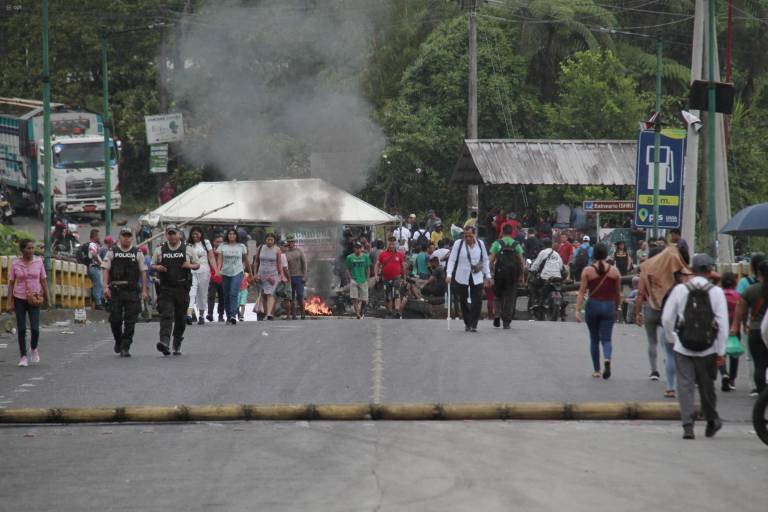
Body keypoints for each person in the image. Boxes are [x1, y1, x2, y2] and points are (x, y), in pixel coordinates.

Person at [662, 253, 727, 439]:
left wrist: (671, 338)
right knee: (707, 386)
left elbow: (667, 318)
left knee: (685, 385)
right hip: (709, 347)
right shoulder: (716, 293)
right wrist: (721, 351)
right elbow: (722, 325)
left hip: (683, 346)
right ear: (710, 271)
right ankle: (711, 420)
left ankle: (688, 426)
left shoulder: (680, 290)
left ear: (691, 269)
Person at [636, 245, 691, 394]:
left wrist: (637, 313)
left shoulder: (646, 270)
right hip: (669, 310)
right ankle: (670, 369)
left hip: (651, 308)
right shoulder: (670, 271)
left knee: (652, 341)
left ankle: (654, 370)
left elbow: (640, 293)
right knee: (670, 348)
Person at [575, 243, 621, 379]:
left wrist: (577, 310)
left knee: (594, 339)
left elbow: (582, 292)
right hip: (608, 306)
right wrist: (617, 308)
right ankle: (607, 359)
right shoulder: (615, 272)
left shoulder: (588, 271)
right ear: (606, 255)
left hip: (593, 305)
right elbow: (617, 293)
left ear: (593, 254)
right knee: (606, 339)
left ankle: (596, 370)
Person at [152, 225, 199, 355]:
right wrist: (158, 268)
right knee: (166, 314)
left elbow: (197, 264)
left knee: (180, 318)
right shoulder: (160, 249)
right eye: (169, 233)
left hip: (182, 288)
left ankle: (177, 341)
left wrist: (189, 265)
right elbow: (152, 265)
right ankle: (164, 342)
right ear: (166, 235)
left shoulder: (188, 249)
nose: (172, 236)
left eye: (174, 233)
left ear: (179, 234)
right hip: (166, 288)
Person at [102, 228, 148, 357]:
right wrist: (105, 287)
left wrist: (144, 290)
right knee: (115, 319)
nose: (126, 238)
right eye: (124, 236)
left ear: (132, 238)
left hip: (132, 291)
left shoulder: (137, 253)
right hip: (116, 290)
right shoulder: (112, 251)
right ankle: (118, 340)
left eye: (129, 236)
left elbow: (143, 272)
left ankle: (125, 347)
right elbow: (105, 269)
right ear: (119, 237)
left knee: (130, 321)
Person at [7, 239, 49, 367]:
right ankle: (23, 356)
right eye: (28, 248)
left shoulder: (39, 262)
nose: (31, 251)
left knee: (35, 329)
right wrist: (9, 302)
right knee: (21, 329)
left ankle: (33, 348)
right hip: (19, 298)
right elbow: (11, 284)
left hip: (35, 299)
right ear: (22, 250)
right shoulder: (15, 264)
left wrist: (49, 299)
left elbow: (43, 281)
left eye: (32, 248)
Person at [731, 260, 768, 396]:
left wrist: (735, 327)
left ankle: (762, 393)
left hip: (756, 331)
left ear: (759, 273)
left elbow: (740, 310)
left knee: (759, 364)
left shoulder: (751, 290)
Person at [446, 226, 491, 332]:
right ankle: (467, 322)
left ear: (474, 234)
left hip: (477, 276)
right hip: (462, 275)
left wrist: (488, 275)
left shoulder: (480, 244)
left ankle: (474, 323)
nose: (468, 238)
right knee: (463, 299)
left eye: (470, 236)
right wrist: (449, 274)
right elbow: (452, 259)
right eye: (465, 236)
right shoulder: (458, 244)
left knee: (477, 300)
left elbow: (485, 260)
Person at [489, 223, 525, 328]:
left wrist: (490, 275)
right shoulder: (516, 244)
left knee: (498, 296)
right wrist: (522, 276)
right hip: (512, 276)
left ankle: (497, 314)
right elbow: (522, 262)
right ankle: (506, 322)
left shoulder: (497, 243)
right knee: (510, 297)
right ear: (512, 232)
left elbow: (491, 260)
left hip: (499, 274)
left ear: (502, 232)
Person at [216, 229, 249, 325]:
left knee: (233, 293)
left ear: (236, 236)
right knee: (226, 294)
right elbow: (219, 259)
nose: (231, 236)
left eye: (233, 234)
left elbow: (245, 260)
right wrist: (218, 270)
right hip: (225, 272)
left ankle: (233, 314)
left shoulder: (241, 246)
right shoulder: (223, 246)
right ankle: (228, 315)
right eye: (230, 234)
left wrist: (249, 272)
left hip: (238, 271)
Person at [186, 227, 216, 325]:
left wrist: (216, 270)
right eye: (193, 234)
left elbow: (211, 257)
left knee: (202, 294)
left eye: (197, 234)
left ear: (201, 234)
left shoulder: (206, 243)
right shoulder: (188, 245)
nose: (195, 236)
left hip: (204, 271)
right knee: (192, 293)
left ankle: (201, 315)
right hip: (192, 271)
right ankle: (189, 314)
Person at [719, 272, 743, 391]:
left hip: (720, 327)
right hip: (735, 327)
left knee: (720, 353)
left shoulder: (719, 294)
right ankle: (732, 380)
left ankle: (724, 373)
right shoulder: (738, 296)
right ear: (735, 282)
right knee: (734, 354)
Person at [528, 238, 565, 310]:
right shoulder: (556, 253)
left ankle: (535, 301)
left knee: (532, 284)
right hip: (557, 277)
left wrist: (532, 270)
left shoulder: (542, 252)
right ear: (551, 245)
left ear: (543, 245)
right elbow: (561, 267)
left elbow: (535, 265)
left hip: (545, 277)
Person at [252, 232, 282, 321]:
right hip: (261, 274)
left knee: (270, 293)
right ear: (265, 240)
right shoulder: (260, 248)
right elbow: (256, 261)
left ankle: (269, 313)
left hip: (273, 275)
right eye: (268, 240)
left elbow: (279, 263)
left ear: (274, 241)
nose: (269, 242)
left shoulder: (277, 249)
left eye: (271, 240)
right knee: (264, 294)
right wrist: (255, 273)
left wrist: (281, 275)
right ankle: (266, 312)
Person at [375, 236, 406, 318]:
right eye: (390, 244)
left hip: (396, 277)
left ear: (395, 244)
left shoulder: (399, 254)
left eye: (393, 244)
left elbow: (403, 267)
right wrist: (376, 275)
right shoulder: (383, 254)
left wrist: (404, 278)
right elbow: (377, 264)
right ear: (387, 244)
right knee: (387, 295)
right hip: (386, 278)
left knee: (397, 294)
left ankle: (396, 311)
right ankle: (390, 311)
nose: (392, 246)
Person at [346, 241, 372, 319]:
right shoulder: (350, 257)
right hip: (354, 280)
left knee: (364, 299)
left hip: (363, 280)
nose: (358, 249)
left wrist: (367, 278)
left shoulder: (365, 257)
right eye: (356, 248)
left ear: (361, 248)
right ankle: (357, 314)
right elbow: (347, 269)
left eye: (359, 248)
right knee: (354, 298)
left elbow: (368, 268)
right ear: (354, 249)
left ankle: (361, 311)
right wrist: (350, 278)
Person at [284, 235, 307, 320]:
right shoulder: (285, 253)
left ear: (294, 242)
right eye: (289, 242)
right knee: (291, 297)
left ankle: (303, 314)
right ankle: (293, 315)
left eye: (292, 241)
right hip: (289, 277)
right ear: (287, 243)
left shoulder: (299, 251)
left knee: (300, 296)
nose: (291, 243)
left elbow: (304, 264)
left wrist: (304, 276)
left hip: (299, 276)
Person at [206, 235, 226, 322]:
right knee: (211, 296)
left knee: (222, 296)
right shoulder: (209, 252)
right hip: (211, 277)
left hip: (223, 277)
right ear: (213, 242)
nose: (219, 243)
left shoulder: (225, 252)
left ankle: (220, 315)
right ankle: (210, 314)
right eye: (217, 241)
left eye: (221, 242)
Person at [86, 229, 104, 309]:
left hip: (96, 267)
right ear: (95, 236)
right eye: (98, 235)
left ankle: (99, 301)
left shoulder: (95, 244)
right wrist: (100, 263)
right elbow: (93, 254)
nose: (100, 237)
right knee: (98, 284)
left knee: (100, 285)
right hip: (94, 267)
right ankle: (98, 303)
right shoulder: (92, 244)